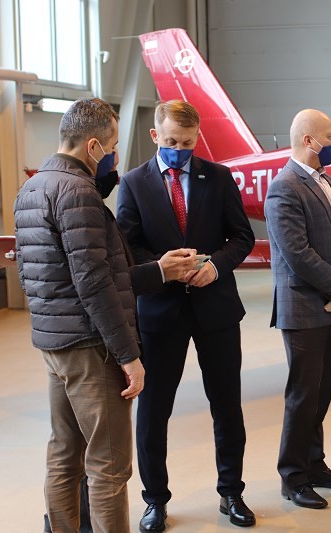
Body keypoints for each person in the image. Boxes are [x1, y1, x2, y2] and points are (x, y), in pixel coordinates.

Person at [15, 97, 196, 533]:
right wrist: (128, 355)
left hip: (55, 344)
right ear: (93, 146)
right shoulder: (79, 193)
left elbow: (35, 272)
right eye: (113, 146)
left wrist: (157, 271)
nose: (114, 156)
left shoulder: (33, 188)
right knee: (109, 466)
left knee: (64, 454)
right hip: (90, 347)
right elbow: (94, 283)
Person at [117, 100, 256, 531]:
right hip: (161, 311)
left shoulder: (218, 177)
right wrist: (162, 268)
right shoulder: (133, 183)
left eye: (188, 143)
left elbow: (242, 236)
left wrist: (216, 266)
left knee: (227, 406)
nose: (180, 150)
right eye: (172, 141)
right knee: (154, 412)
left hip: (216, 308)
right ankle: (155, 500)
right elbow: (127, 246)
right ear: (155, 135)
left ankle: (231, 492)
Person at [264, 109, 331, 510]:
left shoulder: (327, 182)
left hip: (330, 304)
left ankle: (315, 465)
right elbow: (297, 254)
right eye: (330, 136)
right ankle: (293, 477)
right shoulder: (284, 187)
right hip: (303, 306)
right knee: (303, 396)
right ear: (309, 140)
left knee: (320, 392)